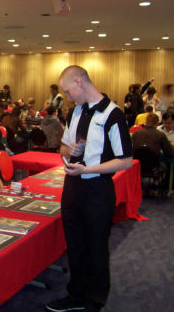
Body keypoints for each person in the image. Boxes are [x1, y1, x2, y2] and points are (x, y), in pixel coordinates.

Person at [47, 65, 133, 312]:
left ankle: (95, 301)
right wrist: (70, 150)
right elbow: (62, 148)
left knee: (96, 247)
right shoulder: (74, 113)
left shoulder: (112, 114)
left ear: (79, 82)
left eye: (68, 91)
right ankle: (76, 294)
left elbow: (125, 159)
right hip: (72, 189)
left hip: (98, 190)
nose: (68, 97)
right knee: (74, 245)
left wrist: (89, 170)